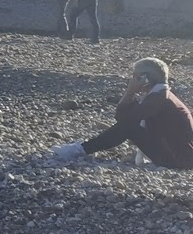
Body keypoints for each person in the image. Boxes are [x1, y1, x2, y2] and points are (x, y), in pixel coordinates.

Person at [53, 58, 193, 168]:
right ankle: (82, 148)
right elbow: (127, 116)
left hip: (176, 159)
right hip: (180, 155)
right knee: (129, 125)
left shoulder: (159, 98)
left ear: (145, 78)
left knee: (128, 126)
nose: (132, 79)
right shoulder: (162, 94)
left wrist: (130, 91)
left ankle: (81, 150)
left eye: (135, 76)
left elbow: (124, 119)